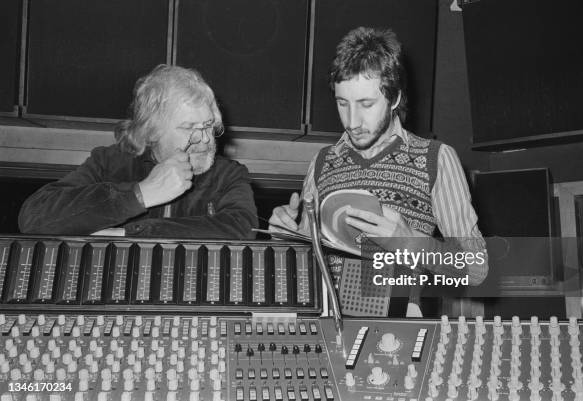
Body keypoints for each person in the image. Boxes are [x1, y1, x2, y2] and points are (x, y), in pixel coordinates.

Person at [269, 27, 488, 316]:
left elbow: (476, 269)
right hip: (323, 327)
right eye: (342, 103)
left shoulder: (436, 158)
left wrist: (408, 240)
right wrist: (290, 238)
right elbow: (306, 265)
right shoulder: (322, 162)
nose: (352, 121)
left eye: (366, 104)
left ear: (395, 97)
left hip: (398, 332)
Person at [19, 65, 257, 239]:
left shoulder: (228, 175)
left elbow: (242, 229)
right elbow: (34, 217)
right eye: (189, 128)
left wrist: (131, 233)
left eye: (208, 125)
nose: (205, 139)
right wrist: (139, 195)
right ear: (152, 131)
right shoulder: (108, 162)